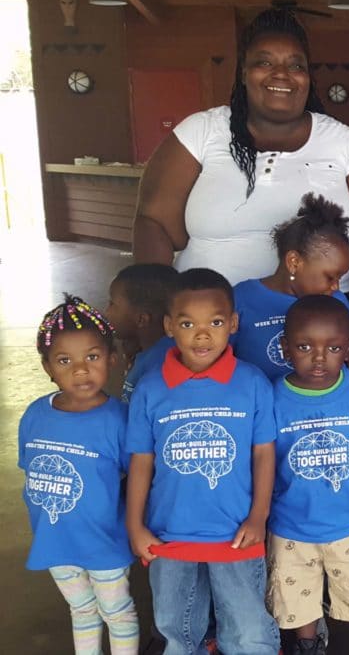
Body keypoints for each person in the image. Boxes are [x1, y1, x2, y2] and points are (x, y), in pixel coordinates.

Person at [133, 8, 349, 293]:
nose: (281, 74)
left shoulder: (345, 143)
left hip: (321, 324)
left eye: (296, 66)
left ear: (308, 78)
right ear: (244, 73)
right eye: (264, 62)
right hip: (208, 323)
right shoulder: (200, 132)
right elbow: (154, 221)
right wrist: (156, 302)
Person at [125, 268, 280, 654]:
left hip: (237, 534)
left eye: (214, 322)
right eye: (187, 323)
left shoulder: (252, 383)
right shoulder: (151, 389)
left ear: (233, 323)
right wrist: (134, 525)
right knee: (176, 630)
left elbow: (264, 453)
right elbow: (141, 461)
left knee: (247, 631)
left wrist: (259, 515)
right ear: (168, 326)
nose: (202, 334)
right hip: (168, 534)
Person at [267, 295, 349, 655]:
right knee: (298, 594)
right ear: (285, 347)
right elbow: (264, 457)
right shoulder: (274, 398)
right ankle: (308, 644)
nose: (318, 357)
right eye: (304, 346)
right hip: (293, 522)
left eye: (332, 347)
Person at [20, 296, 139, 654]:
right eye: (64, 360)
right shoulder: (34, 415)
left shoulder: (119, 419)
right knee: (82, 609)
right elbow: (32, 472)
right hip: (55, 541)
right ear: (47, 368)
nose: (81, 369)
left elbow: (134, 478)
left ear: (112, 359)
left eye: (92, 357)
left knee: (117, 612)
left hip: (104, 542)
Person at [232, 193, 349, 378]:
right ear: (294, 262)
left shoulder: (333, 301)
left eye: (340, 278)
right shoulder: (243, 298)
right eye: (330, 277)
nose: (336, 287)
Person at [104, 263, 178, 402]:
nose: (106, 311)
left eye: (112, 304)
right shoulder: (148, 352)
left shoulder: (155, 368)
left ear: (141, 320)